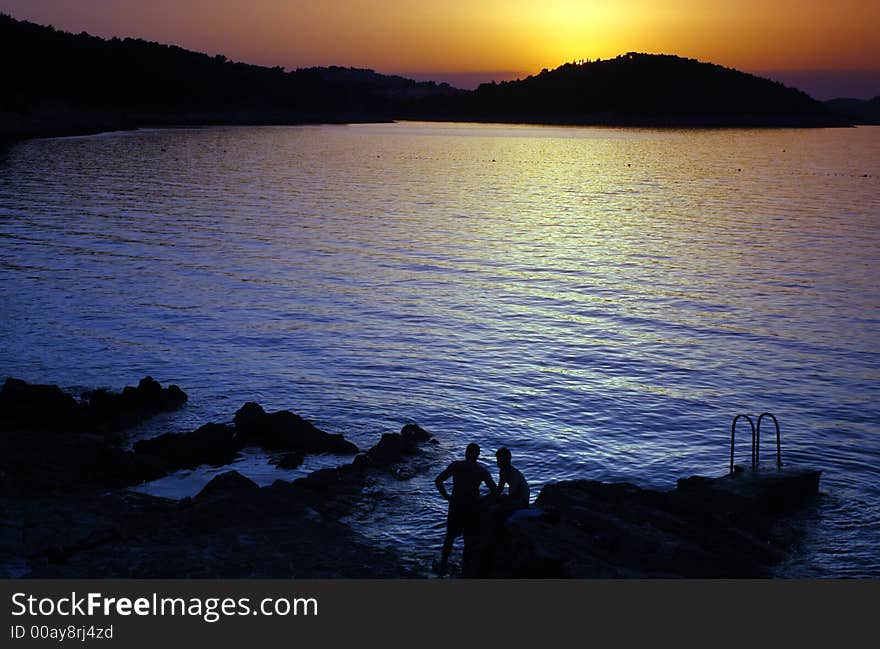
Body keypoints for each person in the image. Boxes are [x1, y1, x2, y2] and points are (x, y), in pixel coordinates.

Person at [434, 442, 498, 574]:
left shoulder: (456, 466)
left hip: (456, 504)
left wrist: (446, 496)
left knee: (450, 537)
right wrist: (483, 500)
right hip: (472, 506)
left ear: (466, 453)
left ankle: (443, 564)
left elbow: (438, 481)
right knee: (469, 539)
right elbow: (495, 491)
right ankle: (466, 568)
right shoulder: (482, 471)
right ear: (478, 455)